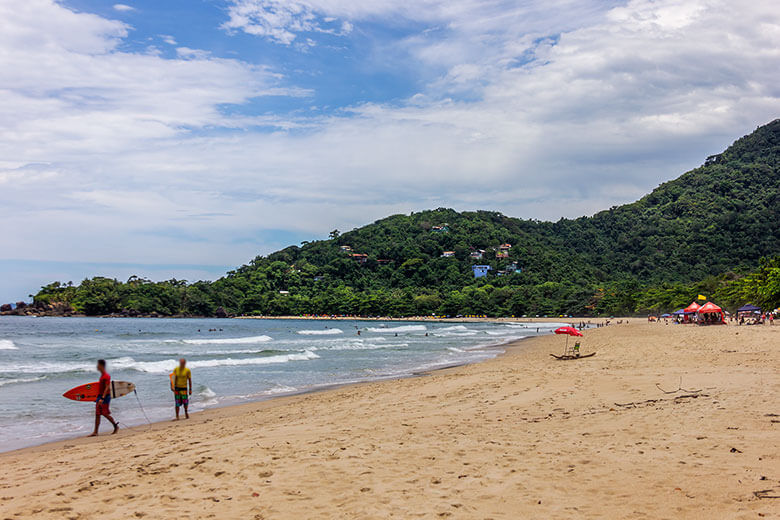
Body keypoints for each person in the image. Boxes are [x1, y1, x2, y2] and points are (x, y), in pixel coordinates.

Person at [89, 359, 119, 436]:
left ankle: (115, 426)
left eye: (98, 365)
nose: (97, 366)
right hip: (100, 397)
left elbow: (107, 388)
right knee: (97, 414)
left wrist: (102, 398)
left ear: (101, 366)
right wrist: (96, 398)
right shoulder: (102, 376)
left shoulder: (106, 376)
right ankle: (95, 432)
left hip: (105, 397)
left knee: (105, 413)